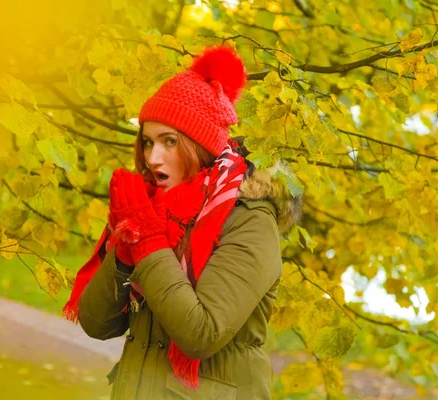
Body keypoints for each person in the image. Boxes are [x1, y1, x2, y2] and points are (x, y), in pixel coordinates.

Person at [63, 46, 303, 399]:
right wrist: (127, 250)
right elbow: (97, 324)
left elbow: (200, 334)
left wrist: (147, 243)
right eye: (147, 142)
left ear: (200, 146)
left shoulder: (250, 219)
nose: (152, 157)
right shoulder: (155, 210)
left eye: (169, 141)